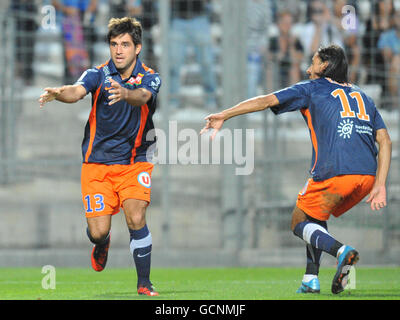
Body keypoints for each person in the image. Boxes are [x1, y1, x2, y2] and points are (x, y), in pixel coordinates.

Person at [201, 45, 392, 294]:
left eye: (313, 62)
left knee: (298, 221)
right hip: (367, 176)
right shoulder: (364, 97)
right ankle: (310, 280)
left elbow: (266, 100)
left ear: (324, 66)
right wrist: (379, 184)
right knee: (315, 216)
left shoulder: (312, 88)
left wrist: (224, 115)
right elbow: (385, 140)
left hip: (335, 172)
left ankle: (341, 251)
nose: (307, 67)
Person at [39, 17, 161, 296]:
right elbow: (76, 91)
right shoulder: (98, 74)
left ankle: (144, 283)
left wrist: (126, 93)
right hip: (97, 166)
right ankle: (102, 242)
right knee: (97, 231)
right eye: (114, 44)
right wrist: (59, 93)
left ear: (137, 48)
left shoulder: (151, 76)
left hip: (134, 162)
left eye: (125, 45)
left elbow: (143, 97)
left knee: (136, 215)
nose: (118, 50)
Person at [169, 0, 217, 110]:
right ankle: (173, 99)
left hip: (199, 18)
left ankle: (210, 98)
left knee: (206, 62)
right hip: (178, 19)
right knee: (174, 63)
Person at [52, 0, 98, 83]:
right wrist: (66, 9)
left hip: (86, 22)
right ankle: (70, 84)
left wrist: (90, 9)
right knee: (69, 57)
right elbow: (54, 3)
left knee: (88, 57)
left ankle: (89, 83)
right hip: (68, 25)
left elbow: (94, 4)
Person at [268, 10, 304, 90]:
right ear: (279, 24)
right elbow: (268, 55)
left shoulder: (295, 40)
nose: (287, 26)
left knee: (294, 69)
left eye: (289, 23)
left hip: (291, 69)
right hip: (276, 69)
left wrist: (291, 44)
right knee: (269, 70)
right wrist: (276, 56)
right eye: (284, 23)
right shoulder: (273, 40)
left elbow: (299, 58)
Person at [378, 9, 400, 110]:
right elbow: (387, 57)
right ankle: (396, 103)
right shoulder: (386, 36)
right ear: (394, 18)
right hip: (393, 70)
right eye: (398, 15)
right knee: (396, 60)